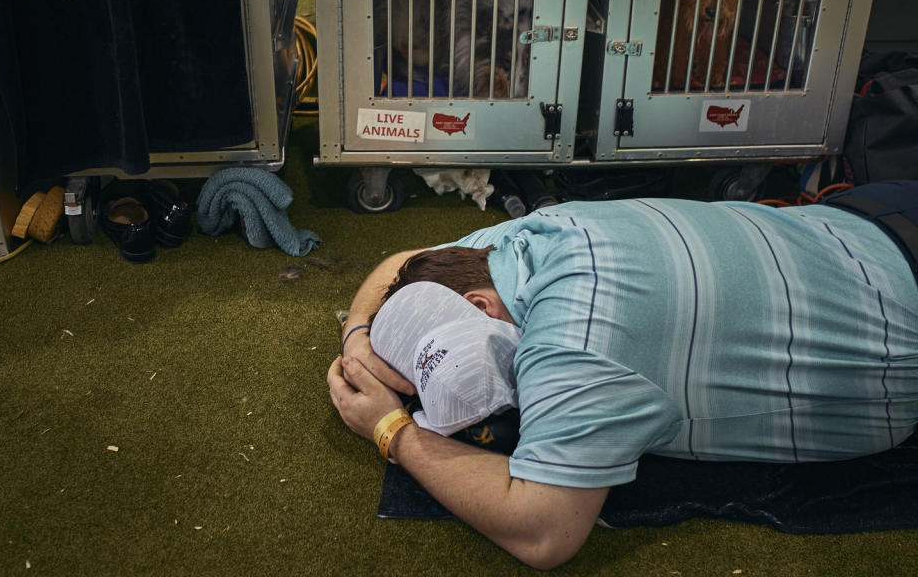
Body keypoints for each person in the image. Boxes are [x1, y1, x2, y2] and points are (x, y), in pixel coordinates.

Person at [327, 181, 918, 569]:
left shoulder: (572, 344)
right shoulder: (528, 235)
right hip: (873, 215)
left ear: (478, 309)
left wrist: (393, 429)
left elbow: (542, 533)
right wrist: (358, 338)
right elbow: (402, 263)